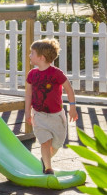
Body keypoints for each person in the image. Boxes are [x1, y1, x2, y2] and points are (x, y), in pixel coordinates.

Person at [25, 39, 79, 174]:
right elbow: (28, 94)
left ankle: (45, 159)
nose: (30, 55)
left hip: (56, 116)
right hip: (39, 115)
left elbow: (69, 89)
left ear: (42, 58)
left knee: (56, 144)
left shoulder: (56, 73)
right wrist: (27, 112)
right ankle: (48, 168)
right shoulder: (32, 74)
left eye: (32, 53)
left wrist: (72, 107)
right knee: (45, 142)